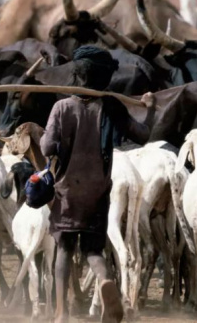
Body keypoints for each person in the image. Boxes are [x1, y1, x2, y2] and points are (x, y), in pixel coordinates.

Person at [40, 45, 155, 323]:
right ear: (104, 77)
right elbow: (142, 135)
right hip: (98, 191)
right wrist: (150, 109)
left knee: (64, 248)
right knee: (93, 250)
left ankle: (61, 313)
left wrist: (54, 136)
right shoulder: (111, 106)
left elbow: (46, 148)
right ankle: (105, 281)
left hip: (66, 191)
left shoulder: (62, 107)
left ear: (78, 74)